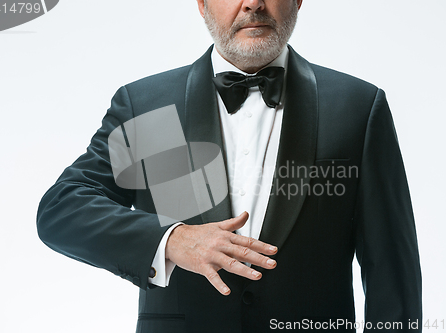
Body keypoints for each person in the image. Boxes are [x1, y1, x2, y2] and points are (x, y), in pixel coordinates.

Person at [37, 0, 422, 332]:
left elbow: (392, 273)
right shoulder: (151, 107)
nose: (253, 3)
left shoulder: (357, 107)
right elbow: (63, 209)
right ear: (201, 3)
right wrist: (171, 240)